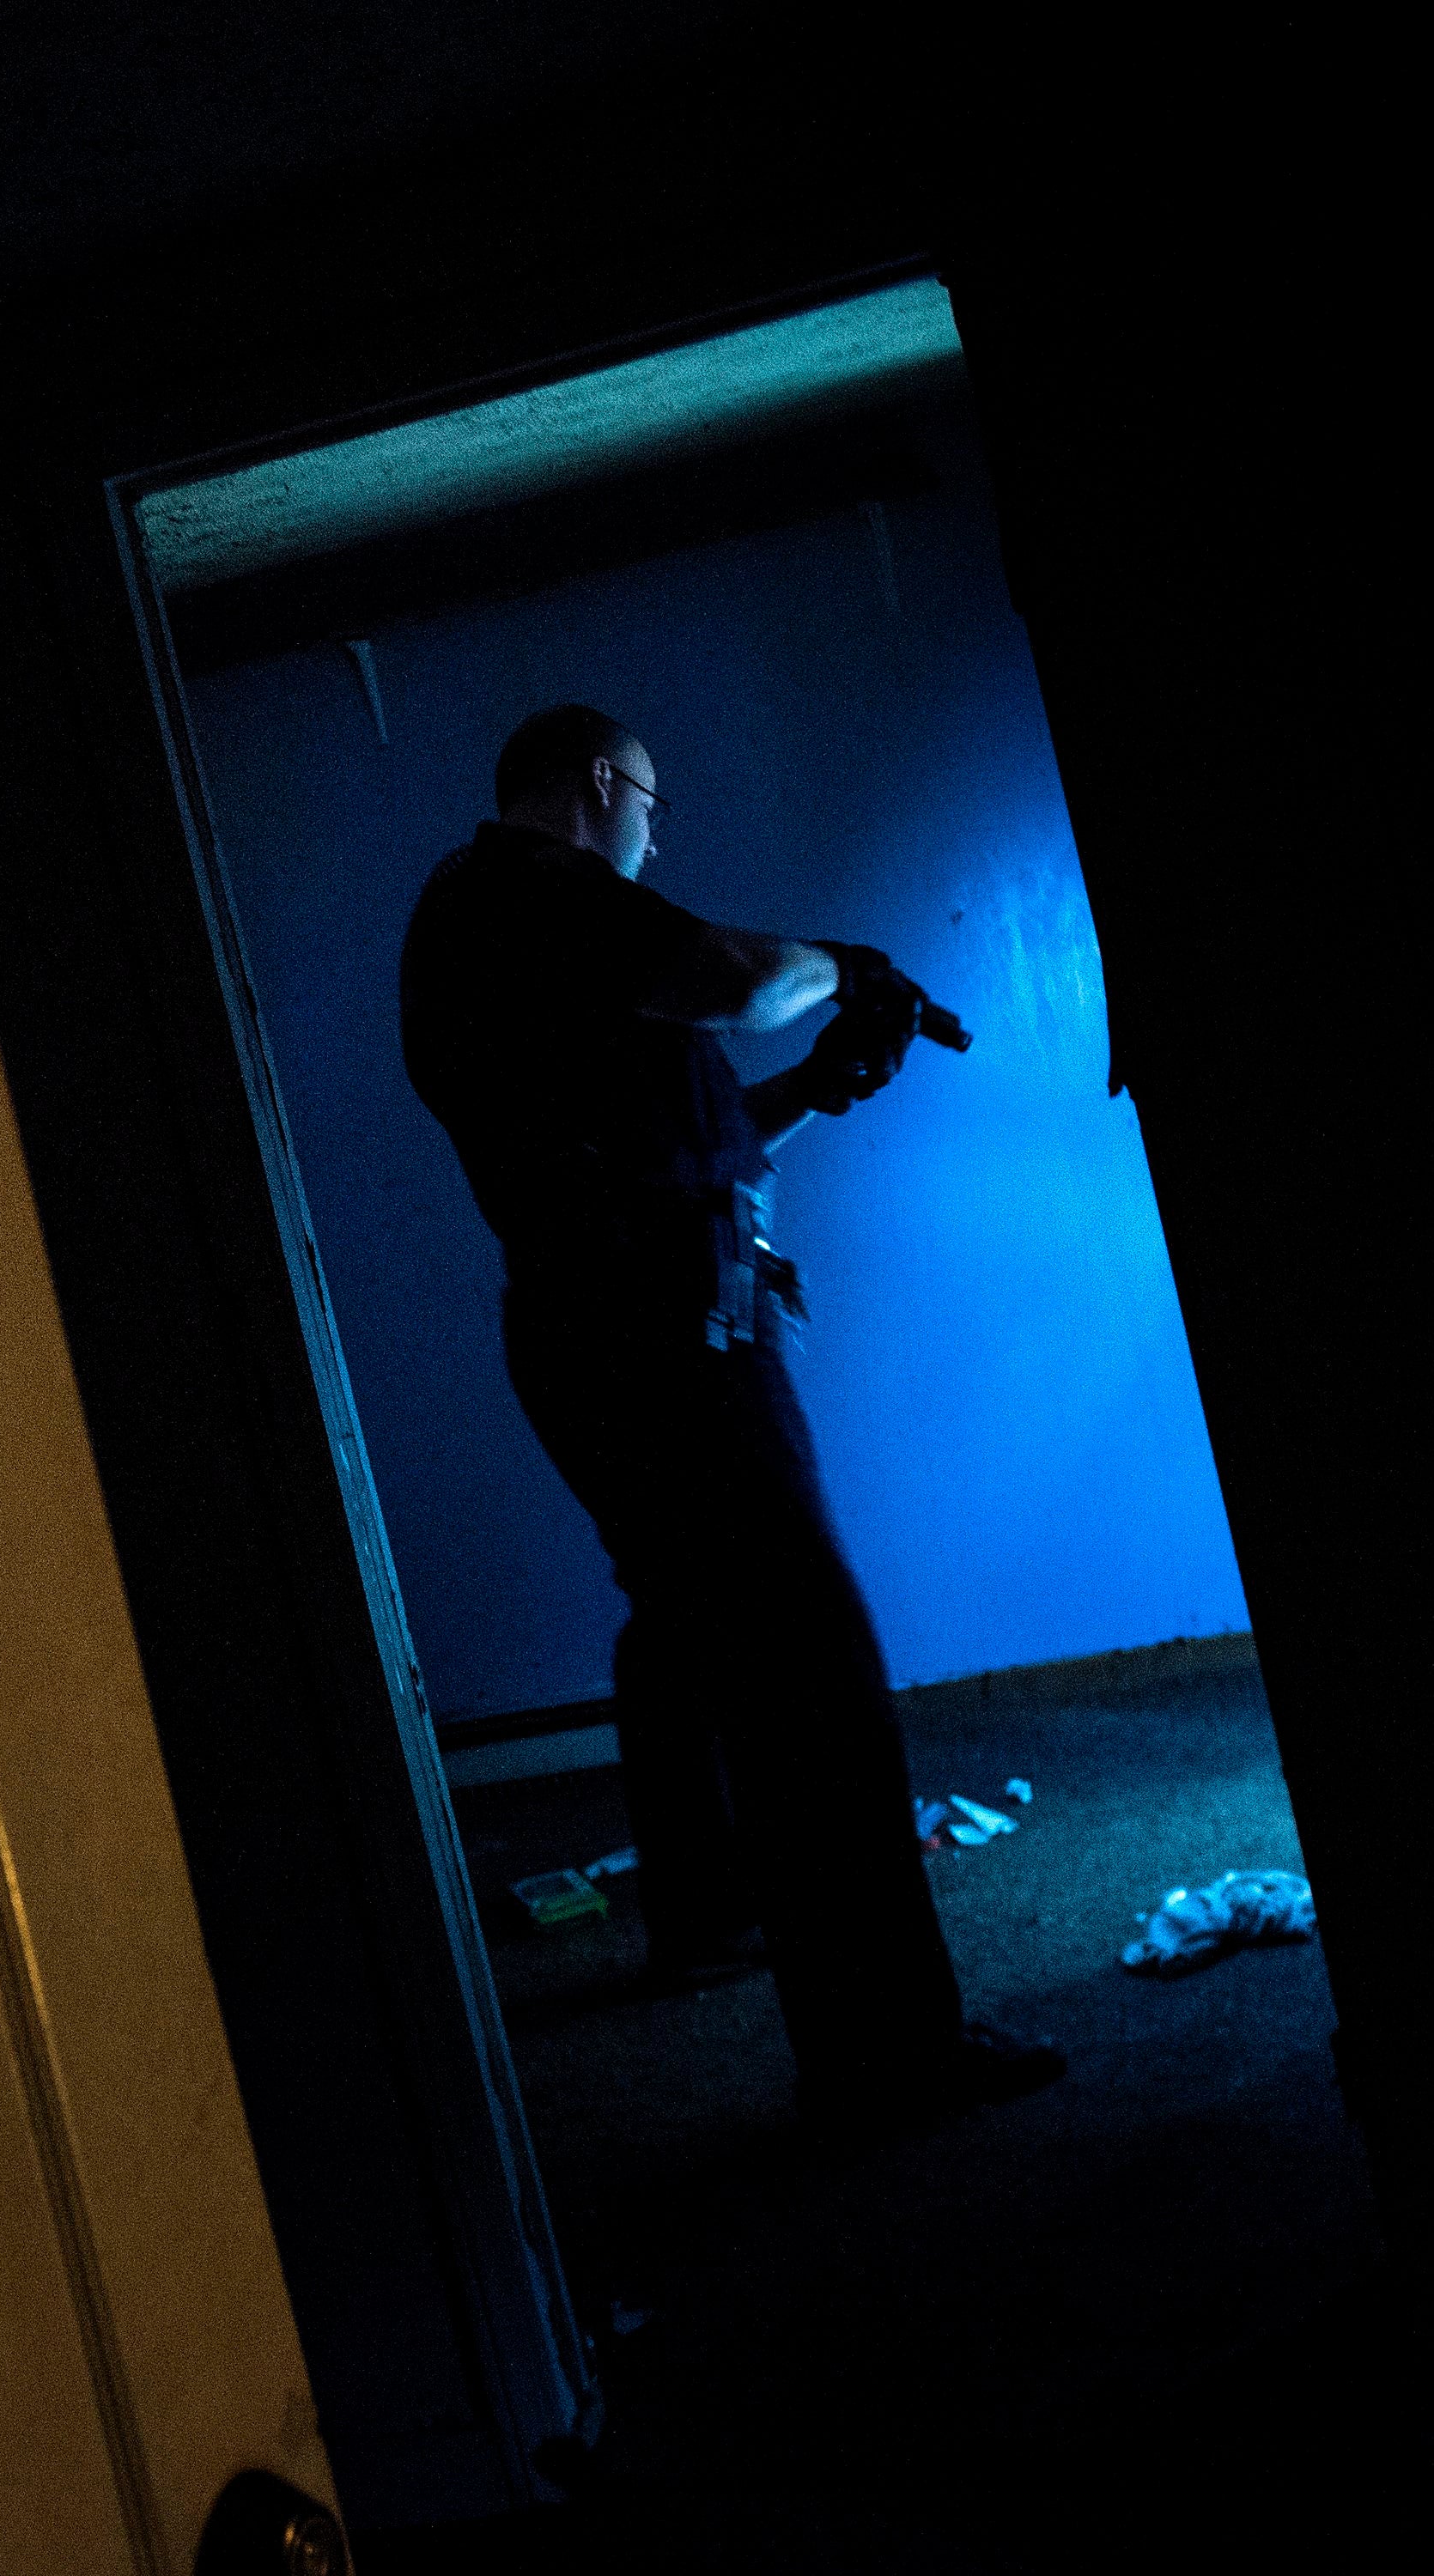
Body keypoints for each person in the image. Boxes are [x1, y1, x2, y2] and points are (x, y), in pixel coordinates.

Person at [398, 702, 1065, 2127]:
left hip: (604, 1322)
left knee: (690, 1629)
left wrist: (819, 1089)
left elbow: (663, 1144)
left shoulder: (494, 929)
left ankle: (704, 1913)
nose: (658, 828)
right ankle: (893, 2053)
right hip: (665, 1337)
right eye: (650, 799)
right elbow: (732, 975)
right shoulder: (532, 887)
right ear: (598, 784)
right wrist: (849, 968)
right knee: (811, 1664)